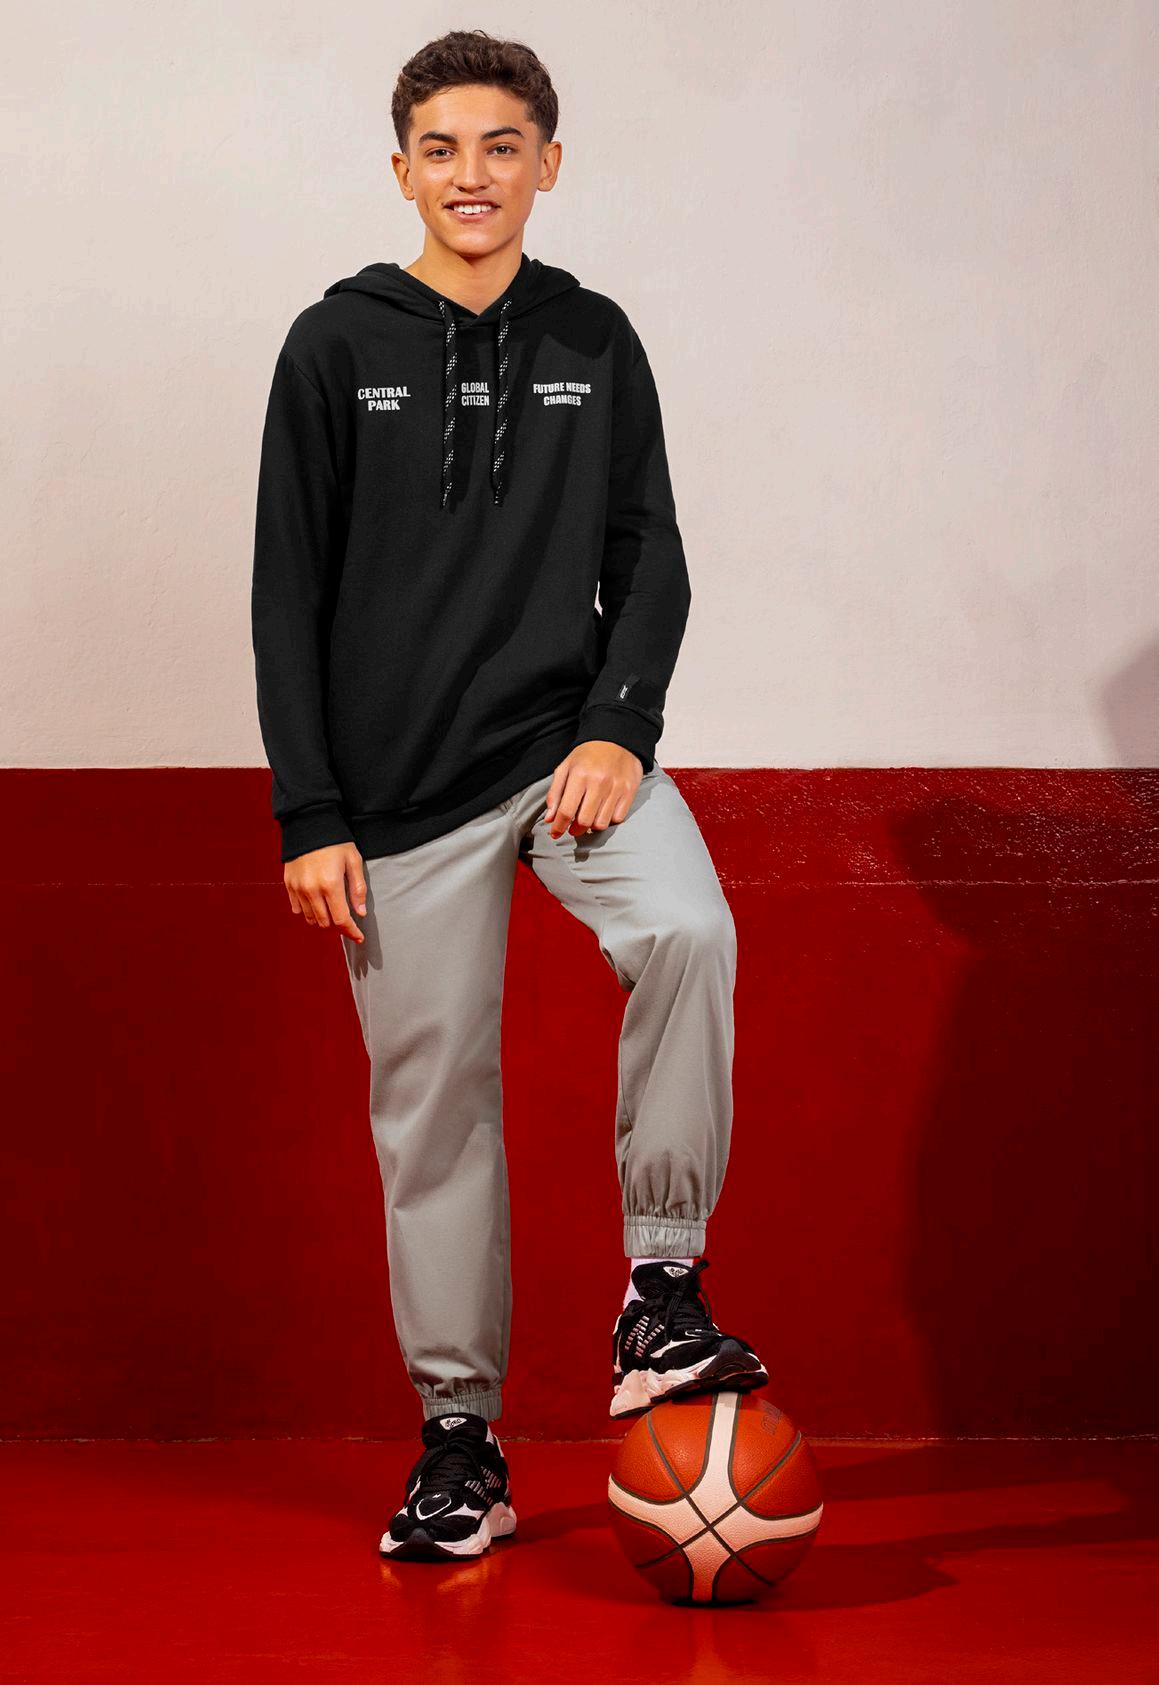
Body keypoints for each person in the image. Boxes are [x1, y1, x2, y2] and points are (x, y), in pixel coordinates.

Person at [250, 28, 768, 1563]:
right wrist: (309, 812)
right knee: (437, 1111)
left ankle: (660, 1291)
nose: (470, 175)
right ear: (401, 169)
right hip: (395, 794)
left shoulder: (592, 339)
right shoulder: (333, 345)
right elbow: (286, 595)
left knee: (688, 929)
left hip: (561, 753)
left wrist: (621, 726)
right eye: (441, 149)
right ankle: (461, 1441)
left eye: (499, 146)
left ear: (548, 162)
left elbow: (648, 553)